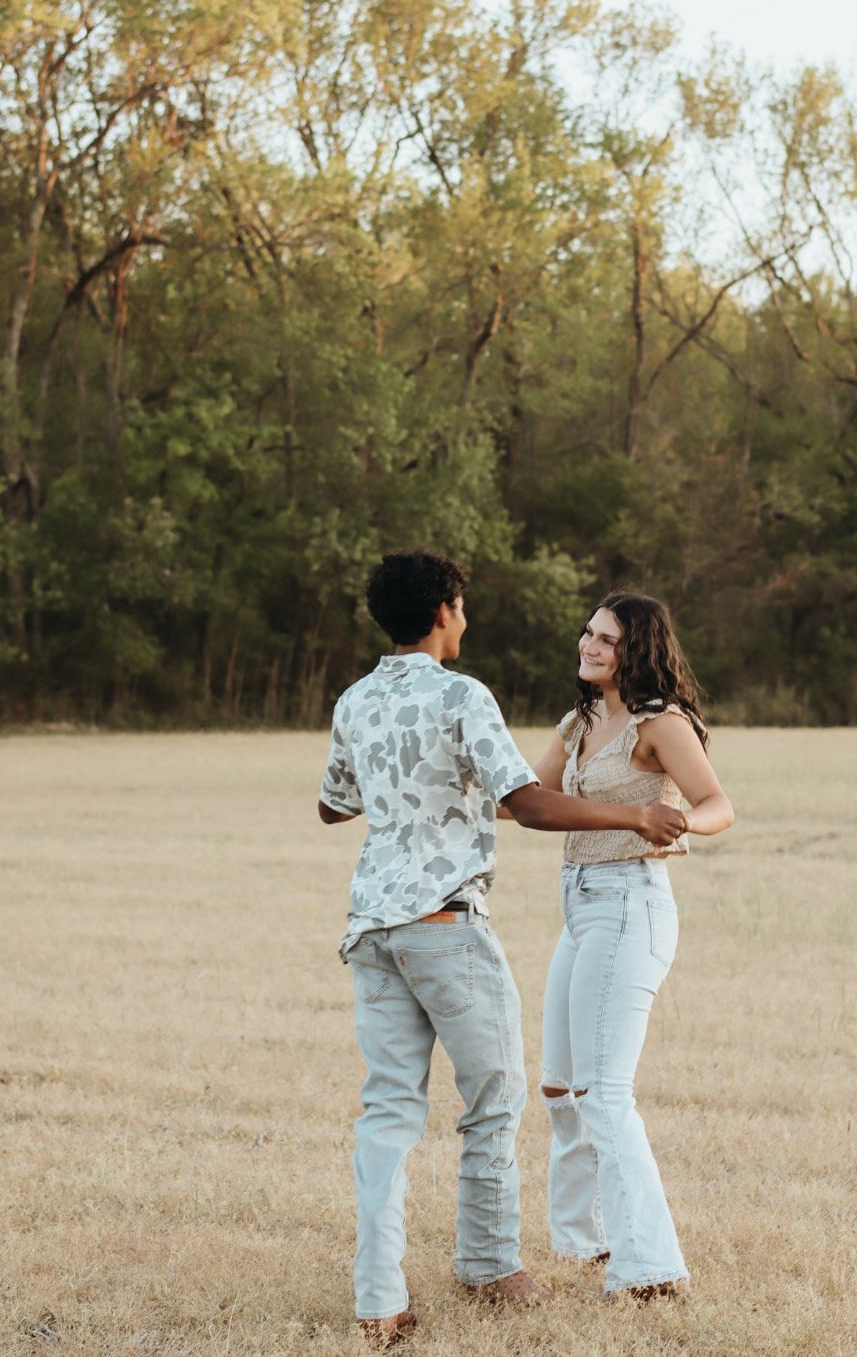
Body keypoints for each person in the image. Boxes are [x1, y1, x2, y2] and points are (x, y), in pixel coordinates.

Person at [317, 551, 686, 1349]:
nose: (465, 618)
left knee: (386, 1112)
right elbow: (529, 805)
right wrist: (635, 819)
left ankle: (378, 1299)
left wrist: (401, 784)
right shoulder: (461, 696)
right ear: (445, 611)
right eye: (462, 606)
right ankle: (489, 1267)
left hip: (371, 926)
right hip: (445, 924)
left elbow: (330, 805)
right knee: (494, 1101)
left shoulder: (355, 700)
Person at [528, 591, 734, 1300]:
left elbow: (717, 804)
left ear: (637, 648)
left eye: (606, 640)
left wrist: (678, 826)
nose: (588, 646)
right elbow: (528, 797)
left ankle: (651, 1269)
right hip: (580, 907)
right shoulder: (581, 719)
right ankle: (587, 1242)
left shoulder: (660, 723)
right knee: (560, 1085)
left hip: (630, 905)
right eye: (587, 633)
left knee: (604, 1092)